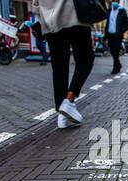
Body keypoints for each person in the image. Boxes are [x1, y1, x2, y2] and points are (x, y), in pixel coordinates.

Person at [32, 0, 95, 129]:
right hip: (75, 17)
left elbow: (36, 3)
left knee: (59, 68)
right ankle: (69, 100)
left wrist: (40, 21)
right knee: (86, 60)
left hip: (51, 22)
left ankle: (62, 116)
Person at [105, 2, 128, 75]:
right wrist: (105, 34)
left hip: (117, 36)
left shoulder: (122, 12)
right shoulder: (109, 11)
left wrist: (120, 32)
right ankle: (118, 65)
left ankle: (115, 68)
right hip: (110, 35)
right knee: (112, 51)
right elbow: (108, 23)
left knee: (116, 52)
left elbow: (127, 25)